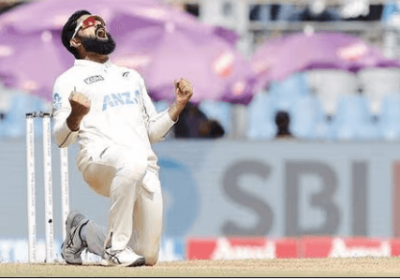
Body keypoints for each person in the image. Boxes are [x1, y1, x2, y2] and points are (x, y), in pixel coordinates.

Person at [52, 10, 193, 267]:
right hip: (97, 160)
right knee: (133, 161)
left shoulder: (131, 77)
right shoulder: (67, 80)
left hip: (143, 168)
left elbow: (152, 132)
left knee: (147, 256)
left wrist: (177, 107)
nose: (99, 24)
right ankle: (116, 249)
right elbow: (61, 140)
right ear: (75, 41)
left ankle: (82, 231)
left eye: (101, 22)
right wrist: (75, 116)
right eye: (89, 24)